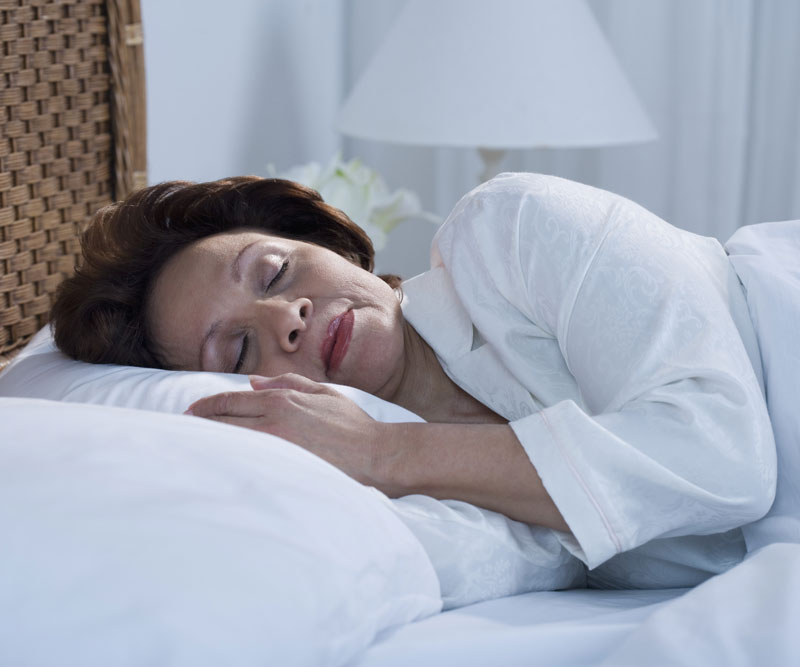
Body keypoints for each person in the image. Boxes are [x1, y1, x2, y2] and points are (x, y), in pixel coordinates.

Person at [51, 172, 776, 589]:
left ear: (329, 246)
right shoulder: (394, 489)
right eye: (239, 351)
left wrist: (385, 451)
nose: (287, 317)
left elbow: (721, 456)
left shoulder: (506, 231)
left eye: (274, 272)